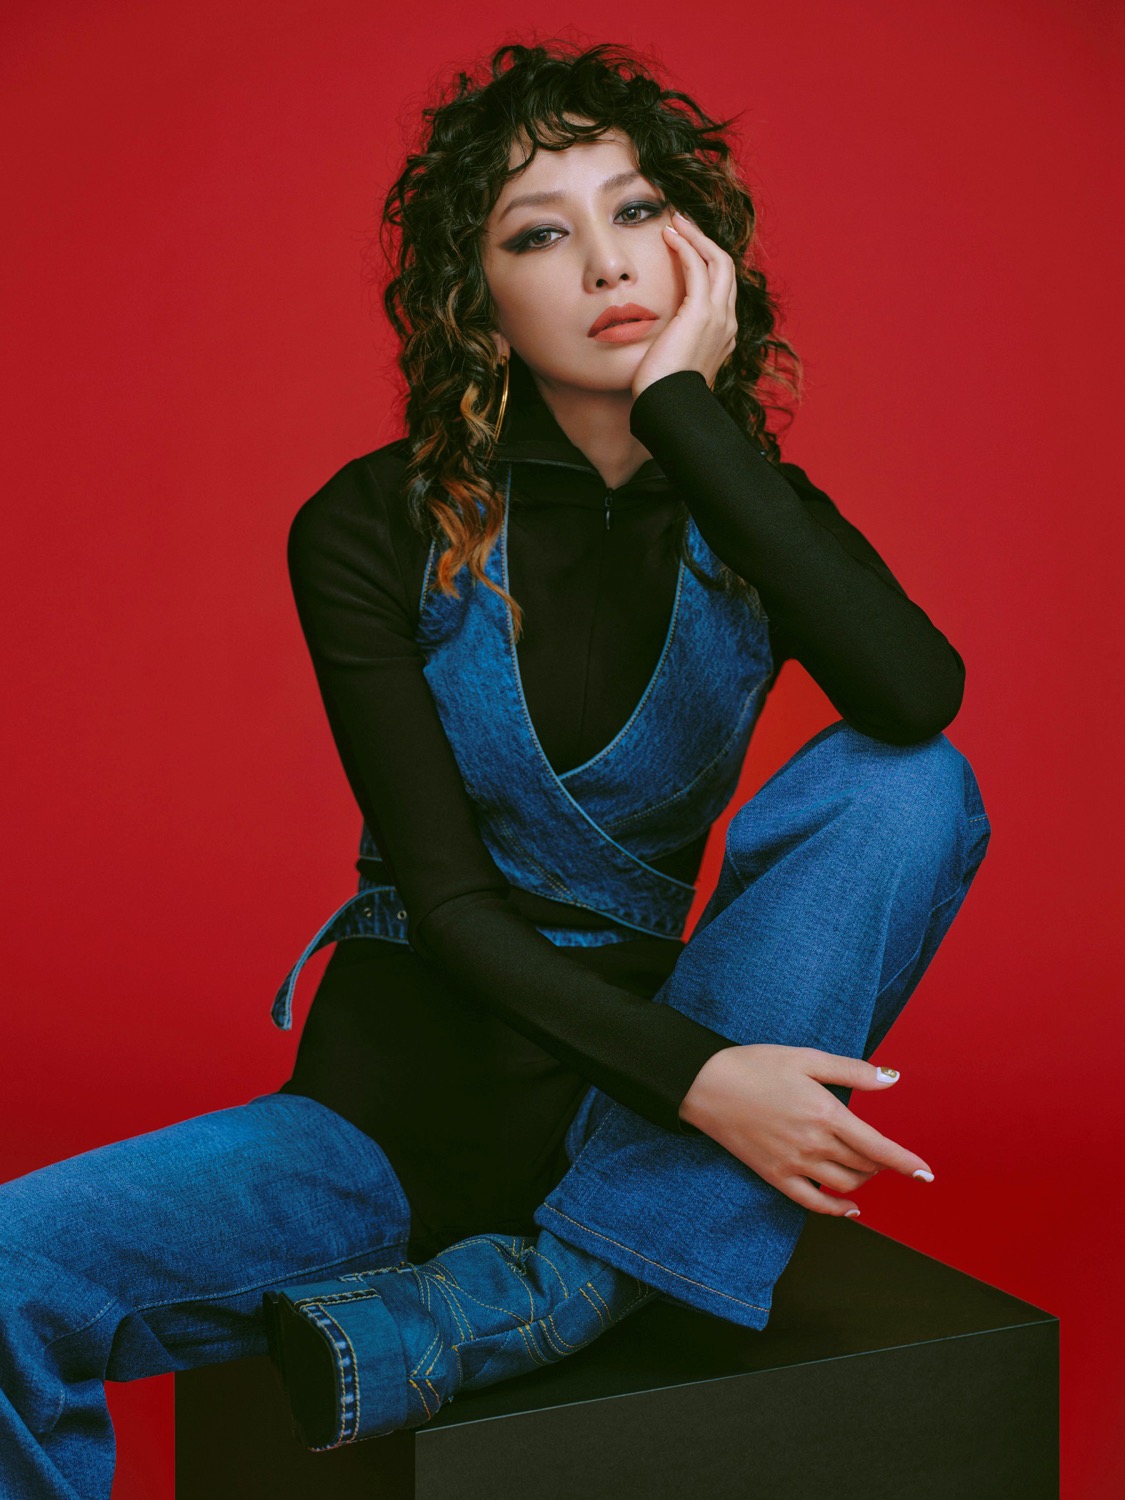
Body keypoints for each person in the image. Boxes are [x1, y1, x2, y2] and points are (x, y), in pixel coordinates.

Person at [0, 40, 991, 1493]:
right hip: (408, 1114)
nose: (606, 263)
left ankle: (557, 1283)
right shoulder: (369, 526)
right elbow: (455, 908)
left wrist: (684, 414)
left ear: (700, 254)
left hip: (630, 1132)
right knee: (8, 1268)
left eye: (636, 211)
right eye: (540, 234)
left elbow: (916, 699)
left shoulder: (746, 513)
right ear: (480, 298)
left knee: (911, 782)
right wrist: (706, 1081)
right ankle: (583, 1275)